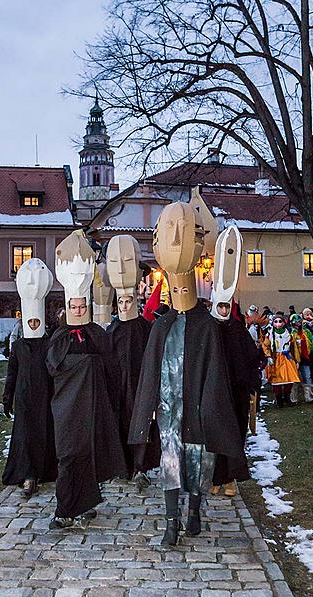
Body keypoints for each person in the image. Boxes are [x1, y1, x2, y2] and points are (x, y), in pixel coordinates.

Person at [128, 203, 246, 546]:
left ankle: (194, 509)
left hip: (197, 406)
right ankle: (170, 523)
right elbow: (150, 370)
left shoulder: (207, 326)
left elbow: (216, 369)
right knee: (170, 464)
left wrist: (211, 405)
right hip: (169, 410)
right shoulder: (161, 326)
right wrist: (148, 406)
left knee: (197, 463)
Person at [46, 230, 126, 528]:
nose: (78, 311)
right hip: (67, 409)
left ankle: (85, 503)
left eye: (82, 307)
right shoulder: (58, 337)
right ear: (66, 308)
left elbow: (109, 368)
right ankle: (64, 509)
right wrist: (83, 366)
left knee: (88, 455)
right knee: (68, 456)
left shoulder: (97, 334)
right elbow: (54, 367)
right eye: (74, 307)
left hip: (92, 409)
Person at [210, 226, 260, 496]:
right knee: (217, 437)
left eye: (227, 306)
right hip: (216, 393)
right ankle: (216, 479)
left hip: (236, 393)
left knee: (234, 436)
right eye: (221, 306)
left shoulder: (237, 329)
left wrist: (251, 381)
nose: (224, 310)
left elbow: (250, 358)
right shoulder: (210, 329)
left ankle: (230, 480)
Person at [2, 259, 57, 498]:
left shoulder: (49, 344)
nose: (34, 324)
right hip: (25, 398)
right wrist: (7, 398)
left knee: (43, 435)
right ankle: (27, 475)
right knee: (25, 437)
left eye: (37, 321)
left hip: (45, 398)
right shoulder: (19, 346)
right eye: (30, 321)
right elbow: (12, 373)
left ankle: (42, 470)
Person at [106, 235, 153, 489]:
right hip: (118, 388)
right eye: (121, 301)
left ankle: (139, 467)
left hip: (139, 386)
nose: (125, 305)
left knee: (140, 427)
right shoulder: (112, 330)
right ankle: (121, 466)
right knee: (120, 425)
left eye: (128, 301)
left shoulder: (144, 328)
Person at [263, 313, 300, 407]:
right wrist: (269, 356)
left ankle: (287, 398)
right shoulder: (270, 335)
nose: (278, 323)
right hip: (276, 359)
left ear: (284, 322)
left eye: (280, 321)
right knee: (276, 381)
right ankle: (279, 400)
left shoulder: (289, 334)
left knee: (290, 379)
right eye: (276, 321)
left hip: (287, 359)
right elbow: (265, 346)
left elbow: (294, 347)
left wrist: (296, 360)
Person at [289, 313, 313, 403]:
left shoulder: (306, 332)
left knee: (307, 377)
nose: (298, 324)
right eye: (295, 322)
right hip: (293, 359)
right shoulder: (290, 333)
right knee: (294, 379)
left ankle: (309, 397)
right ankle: (293, 398)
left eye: (299, 322)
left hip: (305, 359)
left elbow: (311, 345)